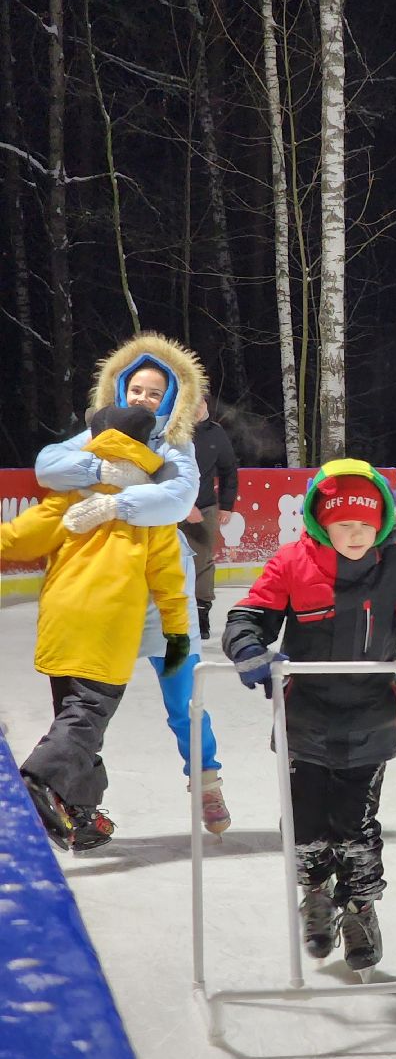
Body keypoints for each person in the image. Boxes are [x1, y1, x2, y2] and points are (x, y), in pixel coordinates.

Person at [221, 460, 396, 975]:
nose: (355, 534)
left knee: (355, 824)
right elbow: (248, 616)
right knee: (306, 823)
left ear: (383, 524)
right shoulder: (291, 564)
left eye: (366, 525)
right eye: (343, 524)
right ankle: (317, 898)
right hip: (303, 717)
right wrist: (248, 648)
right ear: (320, 523)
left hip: (371, 718)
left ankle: (361, 907)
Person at [34, 333, 231, 833]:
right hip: (106, 594)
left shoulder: (175, 443)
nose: (143, 399)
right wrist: (99, 466)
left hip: (164, 597)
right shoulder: (98, 436)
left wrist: (117, 502)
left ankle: (206, 779)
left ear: (172, 399)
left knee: (184, 698)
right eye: (136, 389)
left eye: (153, 393)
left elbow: (176, 497)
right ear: (119, 390)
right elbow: (47, 466)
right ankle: (77, 804)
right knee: (87, 704)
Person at [6, 406, 191, 851]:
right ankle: (40, 780)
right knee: (87, 717)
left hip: (62, 619)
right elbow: (168, 577)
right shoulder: (150, 504)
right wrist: (178, 632)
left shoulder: (70, 493)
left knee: (74, 717)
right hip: (108, 626)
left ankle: (80, 813)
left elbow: (19, 537)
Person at [179, 392, 238, 639]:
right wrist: (181, 504)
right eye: (190, 402)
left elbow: (228, 470)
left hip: (204, 508)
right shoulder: (172, 432)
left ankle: (202, 614)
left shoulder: (216, 433)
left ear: (206, 405)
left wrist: (226, 505)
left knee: (202, 561)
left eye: (200, 402)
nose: (196, 408)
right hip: (168, 508)